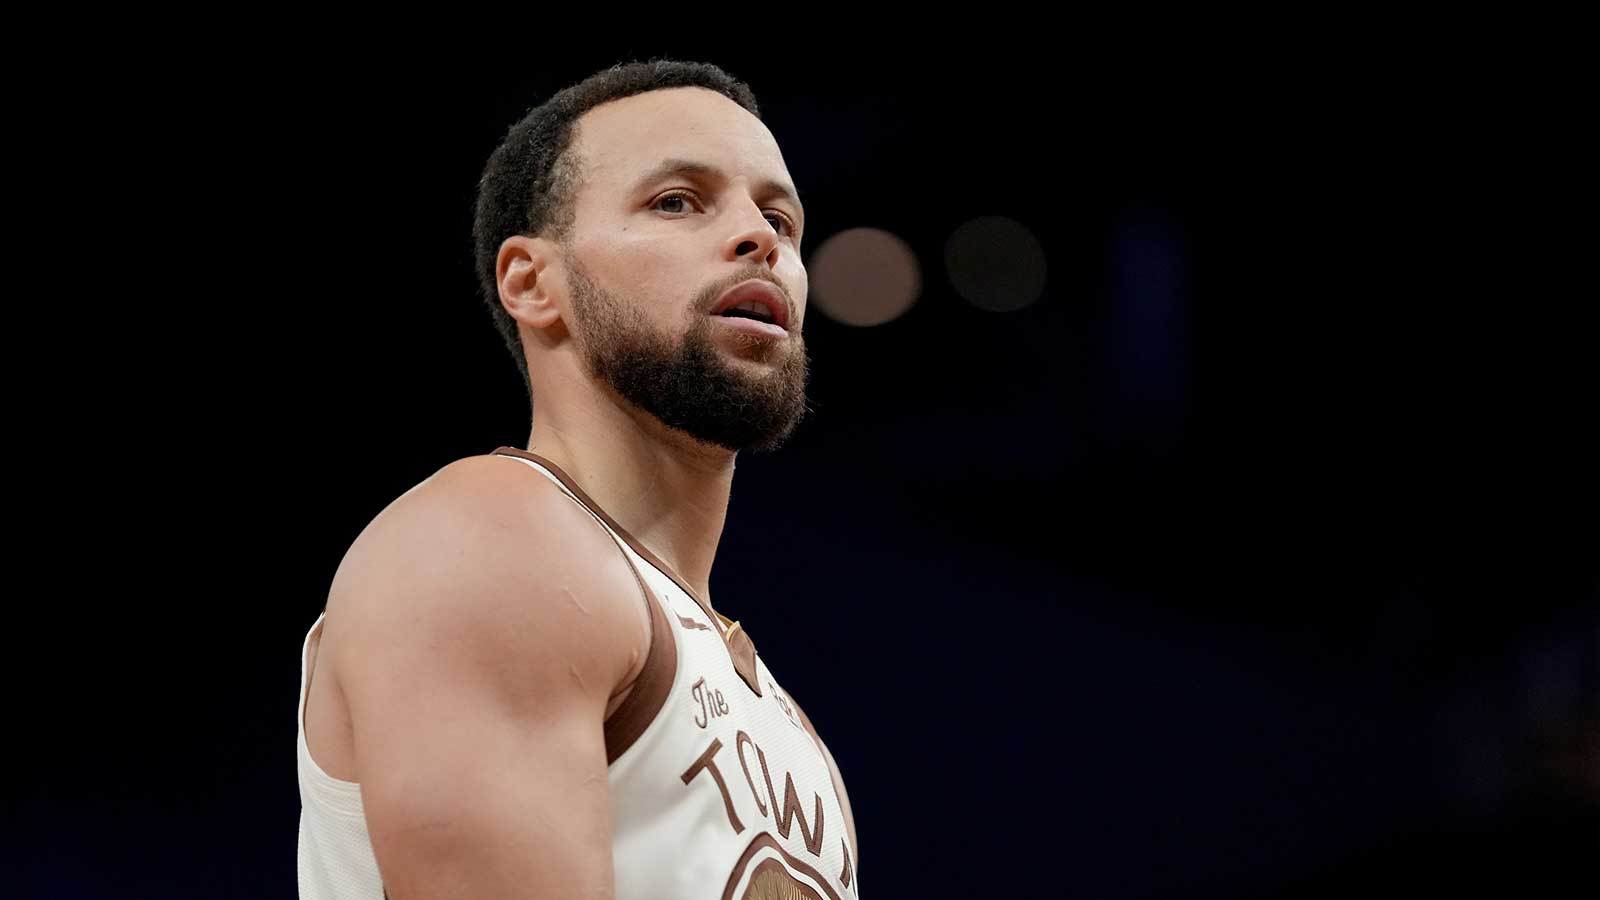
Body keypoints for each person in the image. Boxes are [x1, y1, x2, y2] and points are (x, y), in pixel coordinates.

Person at [294, 59, 860, 899]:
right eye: (677, 202)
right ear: (533, 283)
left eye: (779, 217)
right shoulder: (491, 538)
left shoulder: (791, 729)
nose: (759, 237)